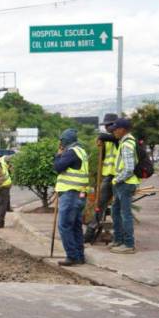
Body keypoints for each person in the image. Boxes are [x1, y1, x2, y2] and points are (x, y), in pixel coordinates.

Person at [53, 129, 89, 266]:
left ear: (65, 141)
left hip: (71, 194)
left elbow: (57, 167)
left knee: (65, 226)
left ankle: (72, 256)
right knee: (75, 226)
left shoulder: (71, 152)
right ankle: (79, 256)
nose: (60, 143)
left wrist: (58, 155)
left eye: (61, 141)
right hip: (80, 193)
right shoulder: (82, 151)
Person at [84, 113, 118, 242]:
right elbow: (104, 157)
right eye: (106, 126)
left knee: (117, 207)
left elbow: (113, 139)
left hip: (119, 177)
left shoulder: (120, 137)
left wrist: (101, 137)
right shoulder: (108, 139)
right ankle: (90, 232)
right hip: (108, 176)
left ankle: (119, 235)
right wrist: (101, 147)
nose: (107, 128)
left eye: (109, 125)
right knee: (100, 203)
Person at [109, 118, 140, 254]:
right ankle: (119, 240)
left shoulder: (127, 144)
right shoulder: (124, 142)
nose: (114, 131)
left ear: (123, 129)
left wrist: (117, 180)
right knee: (115, 212)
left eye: (116, 129)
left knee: (125, 214)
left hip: (125, 184)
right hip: (123, 183)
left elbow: (129, 169)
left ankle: (128, 244)